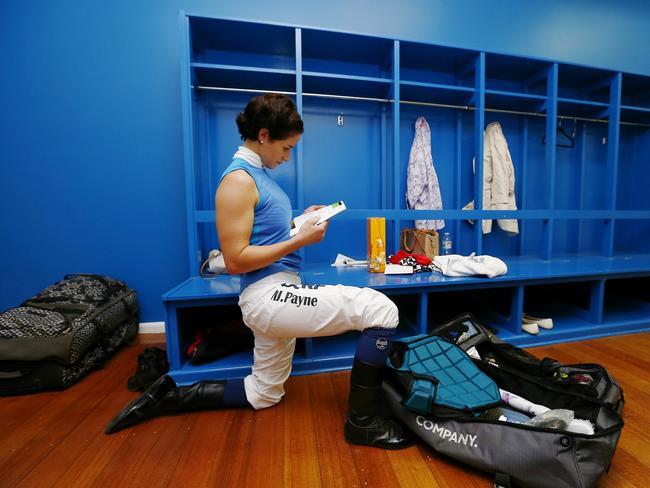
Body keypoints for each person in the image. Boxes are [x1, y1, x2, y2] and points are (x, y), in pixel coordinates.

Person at [105, 93, 411, 450]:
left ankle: (171, 395)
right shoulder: (237, 181)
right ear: (264, 135)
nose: (287, 157)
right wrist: (299, 242)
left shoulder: (260, 177)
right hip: (269, 296)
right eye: (286, 148)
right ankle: (362, 423)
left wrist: (300, 222)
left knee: (263, 394)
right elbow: (235, 260)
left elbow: (268, 236)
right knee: (382, 310)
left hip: (279, 290)